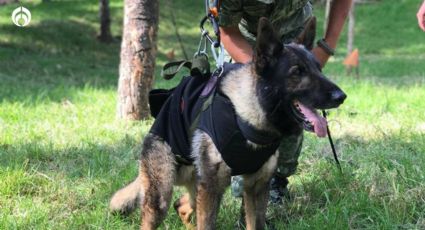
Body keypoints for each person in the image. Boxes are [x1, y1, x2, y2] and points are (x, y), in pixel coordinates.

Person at [218, 0, 352, 205]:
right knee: (244, 113)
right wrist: (257, 72)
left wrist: (326, 47)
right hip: (246, 41)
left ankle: (277, 181)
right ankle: (241, 177)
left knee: (291, 109)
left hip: (296, 32)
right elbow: (228, 32)